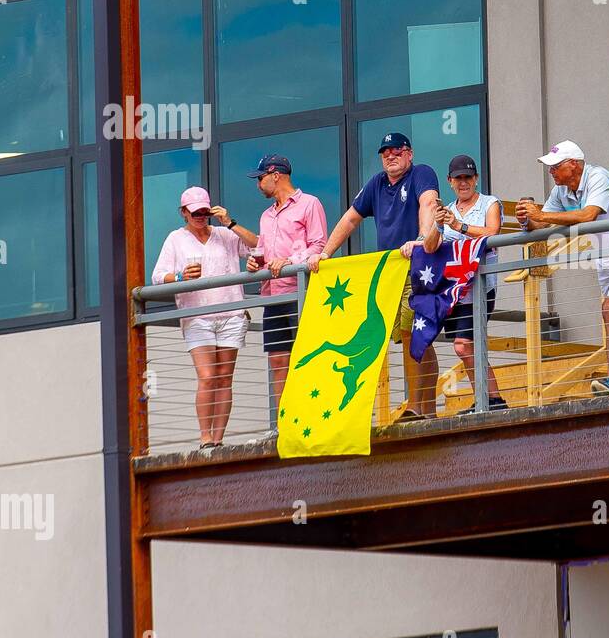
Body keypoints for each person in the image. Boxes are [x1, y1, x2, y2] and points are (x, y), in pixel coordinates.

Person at [311, 132, 442, 418]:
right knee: (412, 338)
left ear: (409, 152)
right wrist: (326, 252)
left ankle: (417, 407)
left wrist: (421, 238)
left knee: (414, 334)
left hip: (419, 268)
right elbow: (350, 218)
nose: (390, 156)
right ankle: (426, 410)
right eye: (385, 152)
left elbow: (429, 204)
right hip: (391, 274)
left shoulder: (421, 173)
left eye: (397, 150)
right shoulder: (377, 183)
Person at [517, 140, 609, 396]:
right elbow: (541, 224)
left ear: (574, 165)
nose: (551, 171)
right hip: (607, 257)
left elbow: (588, 215)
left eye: (556, 166)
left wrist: (540, 215)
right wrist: (526, 220)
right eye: (551, 167)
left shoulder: (598, 176)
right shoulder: (561, 190)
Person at [151, 186, 258, 450]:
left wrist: (229, 222)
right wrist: (179, 277)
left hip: (230, 313)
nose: (201, 217)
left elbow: (256, 244)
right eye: (195, 212)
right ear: (184, 213)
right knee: (208, 375)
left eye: (204, 212)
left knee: (224, 377)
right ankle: (204, 437)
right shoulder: (175, 239)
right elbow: (157, 276)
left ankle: (218, 438)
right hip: (197, 315)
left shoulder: (224, 234)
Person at [243, 155, 328, 409]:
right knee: (278, 362)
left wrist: (289, 260)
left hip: (301, 294)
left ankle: (310, 415)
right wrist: (254, 264)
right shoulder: (266, 216)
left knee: (307, 358)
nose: (258, 185)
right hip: (273, 297)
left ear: (275, 175)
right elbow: (264, 253)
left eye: (260, 178)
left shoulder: (310, 204)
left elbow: (319, 246)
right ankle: (283, 421)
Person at [436, 154, 507, 412]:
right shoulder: (447, 211)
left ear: (476, 179)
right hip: (453, 290)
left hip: (479, 287)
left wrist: (459, 226)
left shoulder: (490, 203)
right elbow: (433, 245)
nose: (463, 182)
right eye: (458, 178)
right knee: (466, 347)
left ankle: (491, 399)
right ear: (450, 181)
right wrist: (434, 225)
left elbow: (493, 231)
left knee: (463, 345)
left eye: (468, 177)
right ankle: (490, 400)